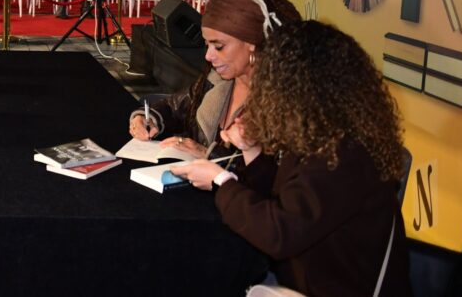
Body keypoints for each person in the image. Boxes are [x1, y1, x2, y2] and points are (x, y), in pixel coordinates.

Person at [173, 20, 411, 296]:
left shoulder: (346, 153)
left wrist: (220, 181)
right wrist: (252, 154)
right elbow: (285, 202)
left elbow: (280, 233)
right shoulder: (323, 136)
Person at [128, 0, 301, 160]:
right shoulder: (215, 80)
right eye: (207, 44)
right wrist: (148, 119)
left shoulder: (283, 103)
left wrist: (208, 156)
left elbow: (273, 178)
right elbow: (174, 107)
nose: (208, 56)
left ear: (252, 44)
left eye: (219, 46)